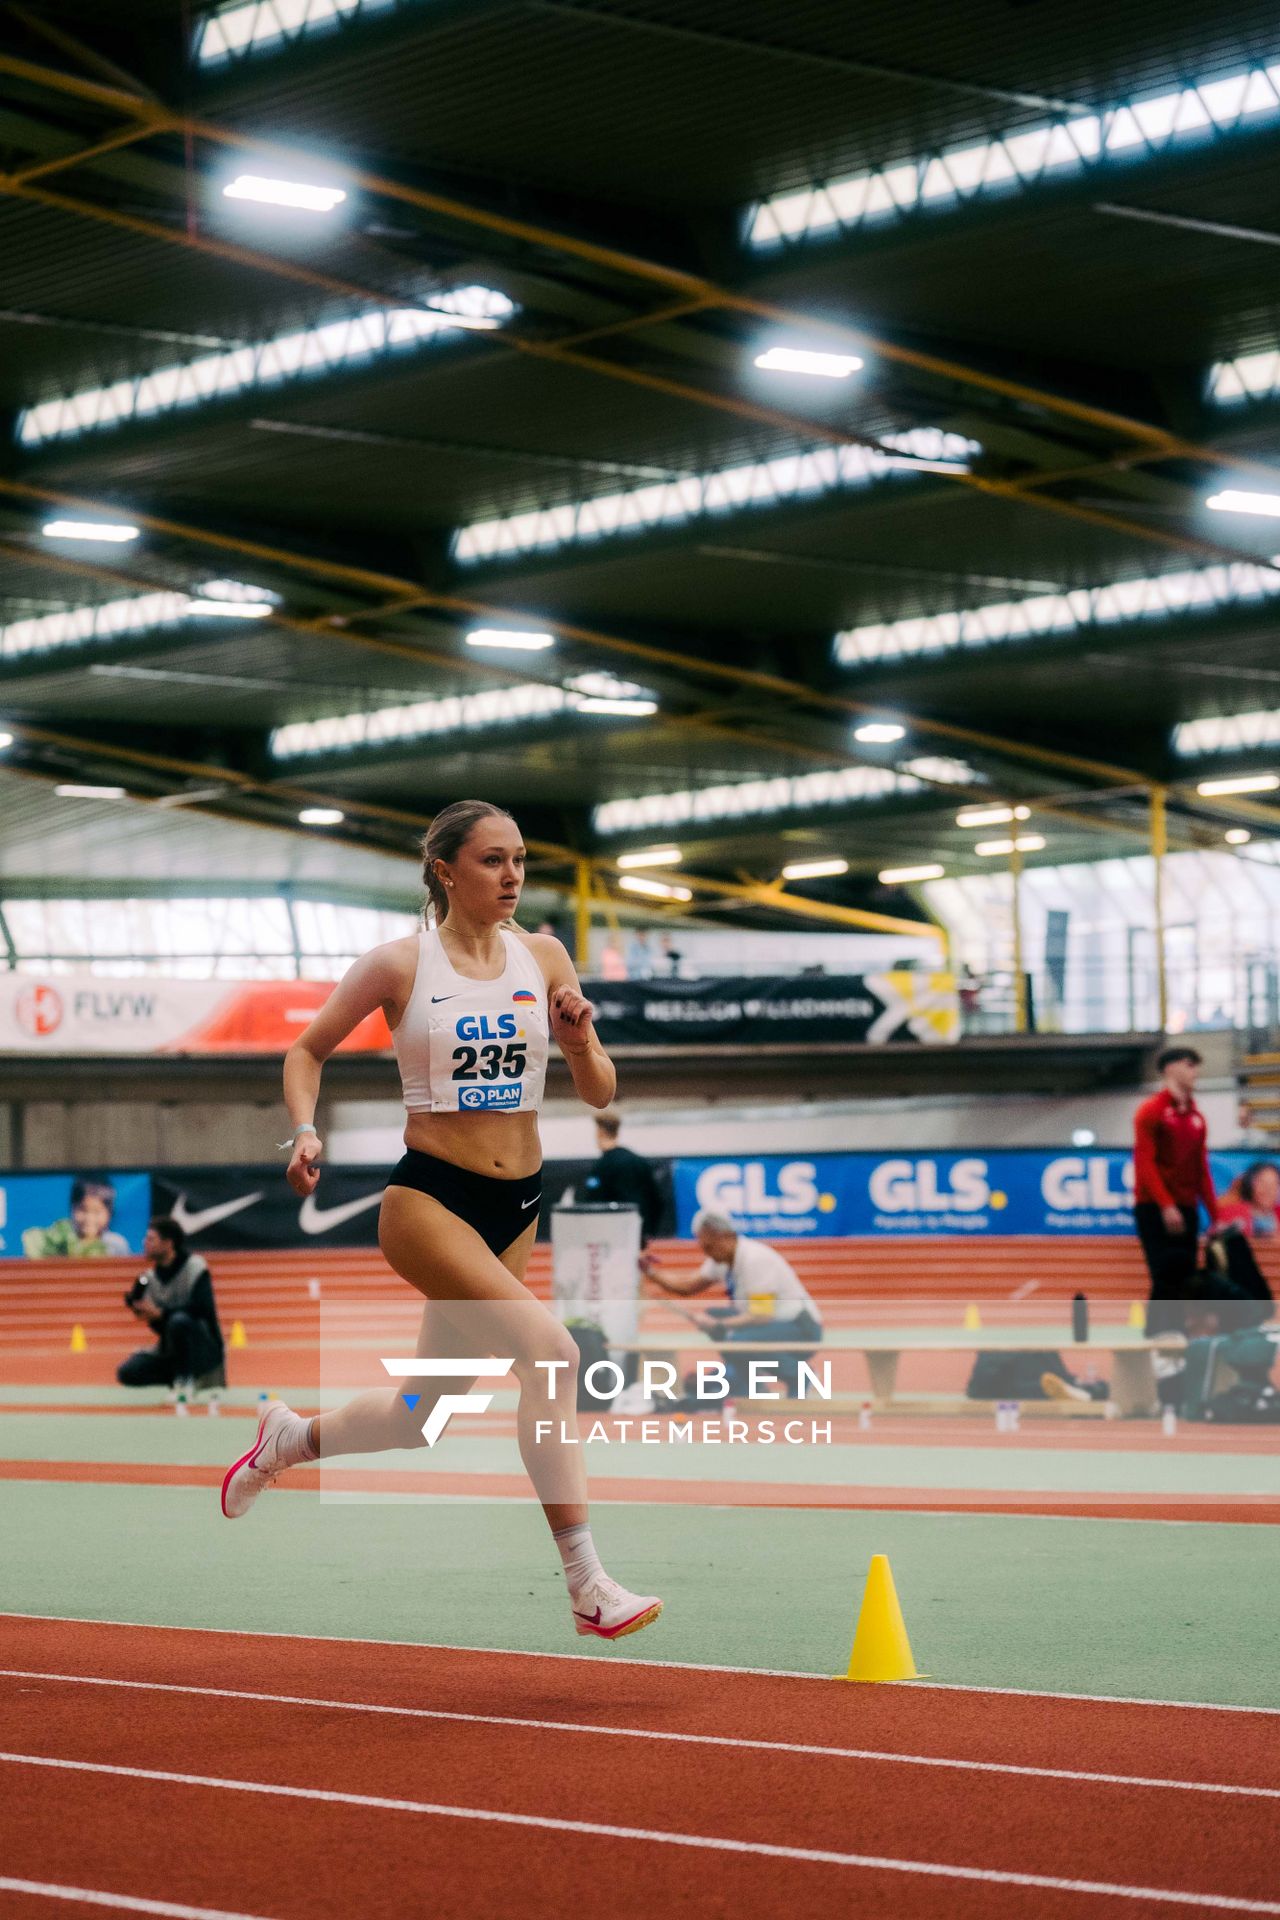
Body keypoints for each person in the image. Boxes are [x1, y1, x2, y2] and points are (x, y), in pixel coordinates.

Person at [220, 799, 661, 1643]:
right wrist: (305, 1130)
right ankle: (587, 1581)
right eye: (494, 861)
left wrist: (576, 1042)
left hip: (517, 1203)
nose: (513, 877)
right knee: (555, 1353)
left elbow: (602, 1089)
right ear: (446, 871)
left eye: (521, 860)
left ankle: (287, 1441)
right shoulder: (398, 964)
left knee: (424, 1414)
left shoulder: (544, 955)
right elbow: (305, 1049)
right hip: (428, 1200)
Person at [642, 1208, 822, 1398]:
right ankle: (748, 1383)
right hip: (771, 1326)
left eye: (709, 1247)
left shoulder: (755, 1260)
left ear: (724, 1236)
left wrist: (720, 1325)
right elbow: (687, 1286)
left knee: (736, 1339)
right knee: (716, 1319)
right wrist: (650, 1272)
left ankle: (799, 1375)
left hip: (801, 1329)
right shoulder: (722, 1258)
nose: (707, 1253)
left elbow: (761, 1315)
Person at [1132, 1044, 1218, 1337]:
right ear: (1170, 1068)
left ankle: (1172, 1335)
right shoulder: (1151, 1112)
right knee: (1164, 1274)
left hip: (1187, 1208)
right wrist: (1166, 1204)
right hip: (1154, 1208)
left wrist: (1215, 1215)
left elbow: (1201, 1170)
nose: (1195, 1071)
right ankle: (1157, 1337)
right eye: (1188, 1064)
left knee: (1186, 1277)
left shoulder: (1197, 1119)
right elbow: (1145, 1164)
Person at [118, 1216, 225, 1399]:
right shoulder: (149, 1278)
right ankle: (179, 1376)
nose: (145, 1243)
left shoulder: (195, 1267)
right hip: (172, 1349)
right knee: (128, 1372)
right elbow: (163, 1328)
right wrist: (147, 1314)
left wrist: (161, 1313)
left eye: (151, 1239)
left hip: (203, 1346)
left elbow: (203, 1307)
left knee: (179, 1321)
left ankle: (187, 1380)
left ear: (168, 1243)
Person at [580, 1109, 663, 1243]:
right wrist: (649, 1231)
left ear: (600, 1132)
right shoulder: (639, 1162)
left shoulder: (601, 1167)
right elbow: (657, 1200)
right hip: (638, 1231)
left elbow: (593, 1202)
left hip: (611, 1235)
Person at [22, 1175, 132, 1258]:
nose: (89, 1219)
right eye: (82, 1210)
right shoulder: (58, 1240)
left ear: (110, 1213)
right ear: (72, 1208)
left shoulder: (117, 1245)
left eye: (97, 1212)